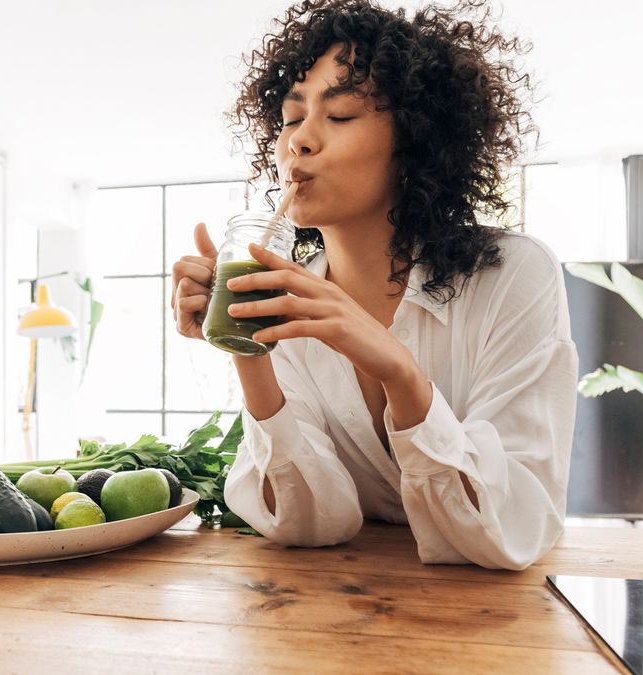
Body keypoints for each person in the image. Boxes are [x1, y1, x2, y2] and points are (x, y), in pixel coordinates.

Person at [170, 0, 578, 570]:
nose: (300, 142)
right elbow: (308, 525)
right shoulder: (286, 298)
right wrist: (248, 346)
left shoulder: (513, 275)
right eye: (291, 118)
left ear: (414, 141)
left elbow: (514, 527)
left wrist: (401, 373)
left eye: (338, 117)